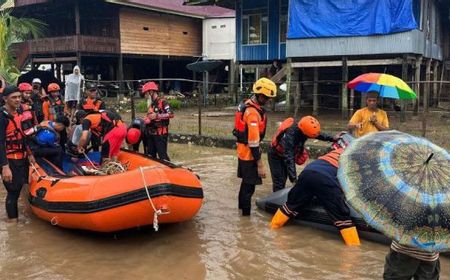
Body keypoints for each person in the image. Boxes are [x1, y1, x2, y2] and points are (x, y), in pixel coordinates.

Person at [269, 134, 360, 246]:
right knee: (343, 217)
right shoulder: (357, 160)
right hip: (326, 178)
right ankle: (354, 250)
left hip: (308, 171)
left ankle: (273, 230)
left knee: (290, 205)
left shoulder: (337, 151)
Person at [233, 77, 277, 216]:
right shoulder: (252, 113)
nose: (269, 100)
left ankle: (241, 210)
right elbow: (253, 141)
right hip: (248, 155)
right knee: (249, 188)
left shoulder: (248, 105)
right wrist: (260, 164)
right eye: (268, 97)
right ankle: (245, 219)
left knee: (245, 185)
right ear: (261, 96)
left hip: (242, 152)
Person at [268, 116, 336, 192]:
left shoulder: (303, 127)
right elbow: (289, 158)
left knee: (284, 177)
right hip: (275, 155)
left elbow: (317, 134)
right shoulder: (290, 137)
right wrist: (294, 179)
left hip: (286, 153)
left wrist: (332, 138)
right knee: (279, 181)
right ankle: (276, 202)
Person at [0, 85, 35, 223]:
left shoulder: (18, 113)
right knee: (13, 192)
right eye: (14, 97)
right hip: (9, 159)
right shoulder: (2, 117)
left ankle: (21, 217)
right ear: (5, 99)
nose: (18, 100)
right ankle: (13, 223)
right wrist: (4, 166)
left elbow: (23, 136)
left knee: (22, 186)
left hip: (22, 157)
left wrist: (30, 153)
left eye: (19, 97)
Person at [142, 81, 174, 161]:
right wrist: (146, 119)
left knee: (163, 157)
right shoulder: (151, 104)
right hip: (150, 134)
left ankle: (170, 171)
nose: (145, 96)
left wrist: (157, 116)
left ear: (151, 92)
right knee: (150, 156)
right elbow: (149, 117)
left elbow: (171, 114)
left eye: (146, 93)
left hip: (160, 134)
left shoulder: (163, 102)